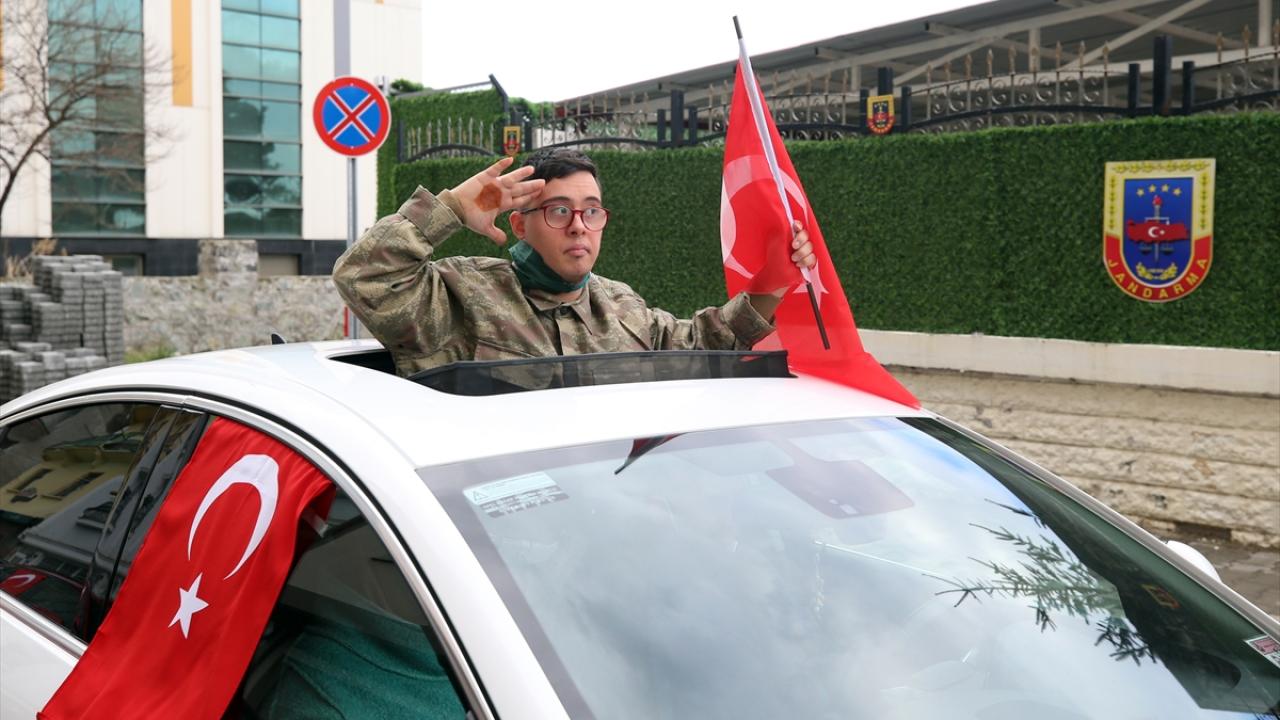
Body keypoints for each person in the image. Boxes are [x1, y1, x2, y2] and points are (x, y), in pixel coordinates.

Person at [333, 148, 816, 377]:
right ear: (520, 225)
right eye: (559, 211)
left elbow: (700, 348)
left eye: (592, 211)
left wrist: (772, 281)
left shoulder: (622, 307)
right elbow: (365, 276)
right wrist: (454, 208)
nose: (579, 226)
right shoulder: (460, 295)